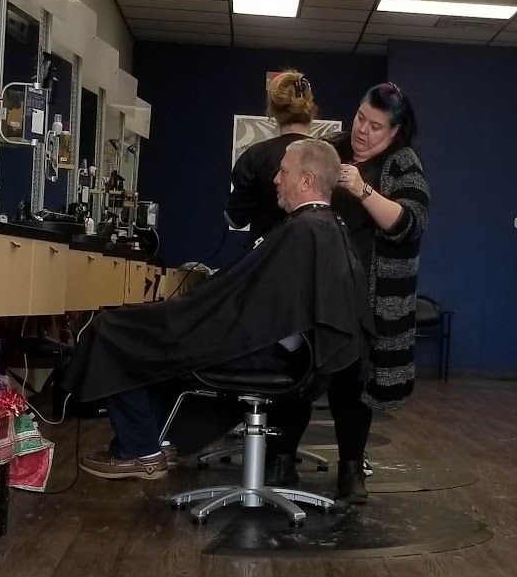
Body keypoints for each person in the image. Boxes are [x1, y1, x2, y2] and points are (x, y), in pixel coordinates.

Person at [70, 137, 367, 480]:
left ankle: (138, 450)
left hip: (263, 353)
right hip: (285, 353)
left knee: (113, 330)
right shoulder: (324, 226)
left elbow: (246, 301)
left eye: (283, 172)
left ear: (306, 180)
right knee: (146, 333)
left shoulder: (305, 229)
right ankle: (151, 440)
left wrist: (194, 309)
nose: (275, 179)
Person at [272, 82, 430, 504]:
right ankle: (280, 460)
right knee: (297, 373)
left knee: (352, 381)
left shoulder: (402, 164)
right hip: (314, 287)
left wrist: (362, 190)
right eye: (361, 117)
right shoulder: (331, 148)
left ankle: (351, 470)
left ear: (394, 132)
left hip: (366, 295)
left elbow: (410, 224)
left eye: (376, 127)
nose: (363, 130)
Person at [226, 69, 320, 236]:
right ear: (310, 108)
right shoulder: (330, 158)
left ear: (273, 111)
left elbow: (235, 219)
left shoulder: (254, 157)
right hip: (315, 251)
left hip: (266, 251)